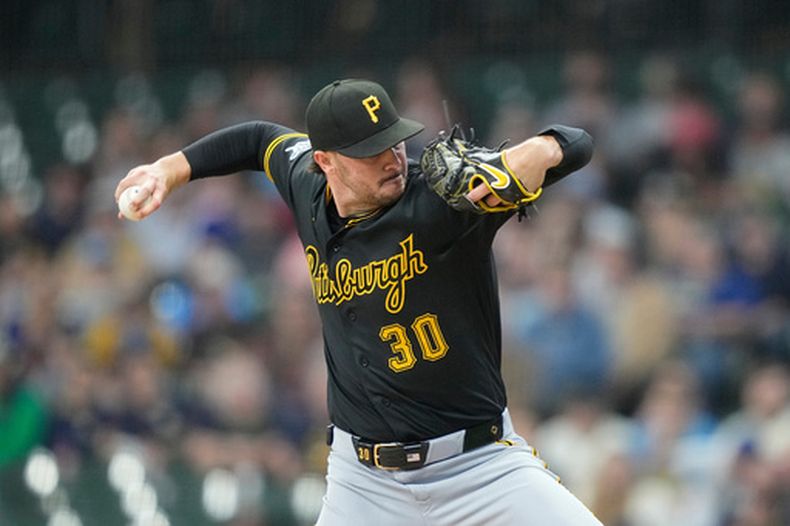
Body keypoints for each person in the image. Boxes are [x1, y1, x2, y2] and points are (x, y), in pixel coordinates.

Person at [115, 78, 601, 525]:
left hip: (480, 469)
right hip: (364, 485)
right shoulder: (305, 183)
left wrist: (543, 147)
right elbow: (258, 139)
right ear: (324, 161)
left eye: (393, 140)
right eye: (370, 152)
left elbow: (578, 144)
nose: (392, 158)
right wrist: (168, 170)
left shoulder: (443, 199)